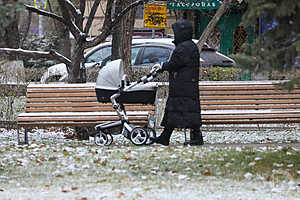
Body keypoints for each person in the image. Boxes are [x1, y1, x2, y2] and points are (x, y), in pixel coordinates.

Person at [151, 19, 203, 146]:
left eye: (176, 32)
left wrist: (162, 66)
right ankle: (165, 137)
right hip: (184, 86)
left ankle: (196, 138)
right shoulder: (188, 46)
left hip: (183, 87)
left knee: (183, 111)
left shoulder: (184, 48)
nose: (175, 34)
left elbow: (175, 64)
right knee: (176, 112)